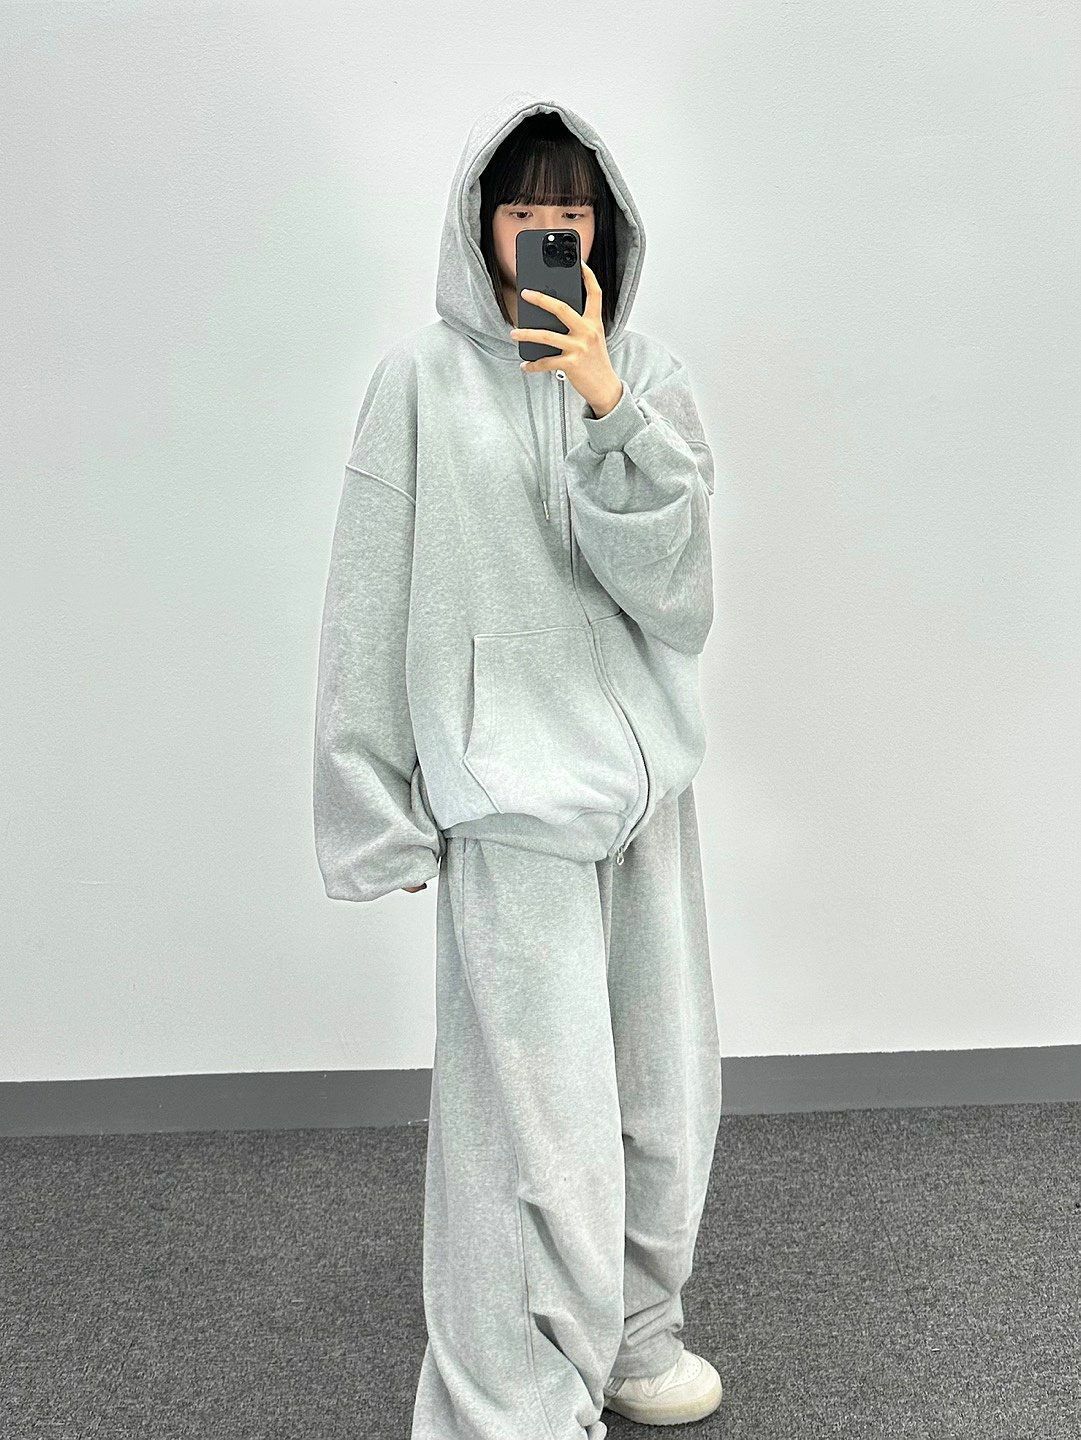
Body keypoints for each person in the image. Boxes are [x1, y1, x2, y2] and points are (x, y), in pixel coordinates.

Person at [313, 90, 724, 1440]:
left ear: (604, 228)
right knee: (528, 1134)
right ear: (481, 227)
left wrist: (606, 403)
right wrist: (373, 799)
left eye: (573, 210)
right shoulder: (417, 386)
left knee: (663, 1096)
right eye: (525, 210)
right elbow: (367, 601)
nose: (550, 231)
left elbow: (678, 602)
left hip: (643, 798)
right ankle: (513, 1399)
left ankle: (638, 1330)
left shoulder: (649, 378)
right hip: (508, 803)